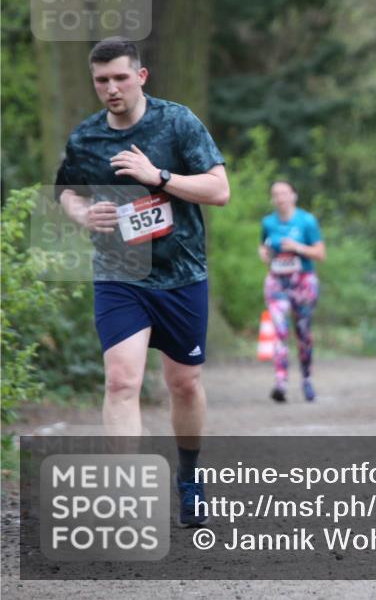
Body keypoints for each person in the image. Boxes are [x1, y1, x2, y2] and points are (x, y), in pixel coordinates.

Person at [54, 37, 230, 527]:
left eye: (120, 78)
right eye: (101, 80)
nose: (111, 88)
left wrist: (160, 176)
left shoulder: (177, 122)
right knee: (121, 380)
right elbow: (65, 188)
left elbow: (219, 190)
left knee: (185, 384)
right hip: (119, 275)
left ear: (141, 76)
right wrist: (85, 213)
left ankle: (190, 475)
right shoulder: (86, 137)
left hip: (180, 275)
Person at [259, 180, 326, 403]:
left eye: (284, 193)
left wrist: (297, 248)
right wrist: (264, 254)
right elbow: (263, 246)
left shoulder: (307, 221)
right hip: (277, 282)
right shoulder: (268, 222)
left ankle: (306, 379)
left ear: (293, 196)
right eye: (276, 194)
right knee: (279, 331)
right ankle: (281, 382)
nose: (280, 198)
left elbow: (320, 253)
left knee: (303, 333)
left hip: (303, 282)